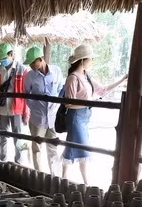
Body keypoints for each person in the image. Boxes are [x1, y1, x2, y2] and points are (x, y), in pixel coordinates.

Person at [60, 44, 127, 184]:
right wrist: (88, 103)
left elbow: (102, 90)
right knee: (83, 148)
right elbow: (68, 103)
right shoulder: (73, 78)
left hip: (84, 117)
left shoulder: (86, 76)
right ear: (83, 60)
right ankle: (86, 182)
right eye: (90, 59)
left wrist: (122, 79)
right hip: (76, 117)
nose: (91, 61)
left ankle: (63, 179)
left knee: (72, 147)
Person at [23, 45, 64, 172]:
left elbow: (60, 90)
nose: (30, 65)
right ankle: (38, 174)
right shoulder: (30, 76)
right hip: (37, 118)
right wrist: (34, 106)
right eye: (29, 63)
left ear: (40, 59)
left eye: (32, 62)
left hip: (52, 116)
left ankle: (54, 176)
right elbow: (25, 94)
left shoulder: (56, 71)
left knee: (53, 147)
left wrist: (55, 105)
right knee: (37, 148)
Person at [0, 43, 29, 163]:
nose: (2, 61)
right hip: (1, 109)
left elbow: (27, 94)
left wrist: (26, 113)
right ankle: (3, 159)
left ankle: (20, 161)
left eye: (4, 58)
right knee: (2, 137)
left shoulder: (22, 70)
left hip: (17, 109)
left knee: (20, 137)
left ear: (11, 54)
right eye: (0, 59)